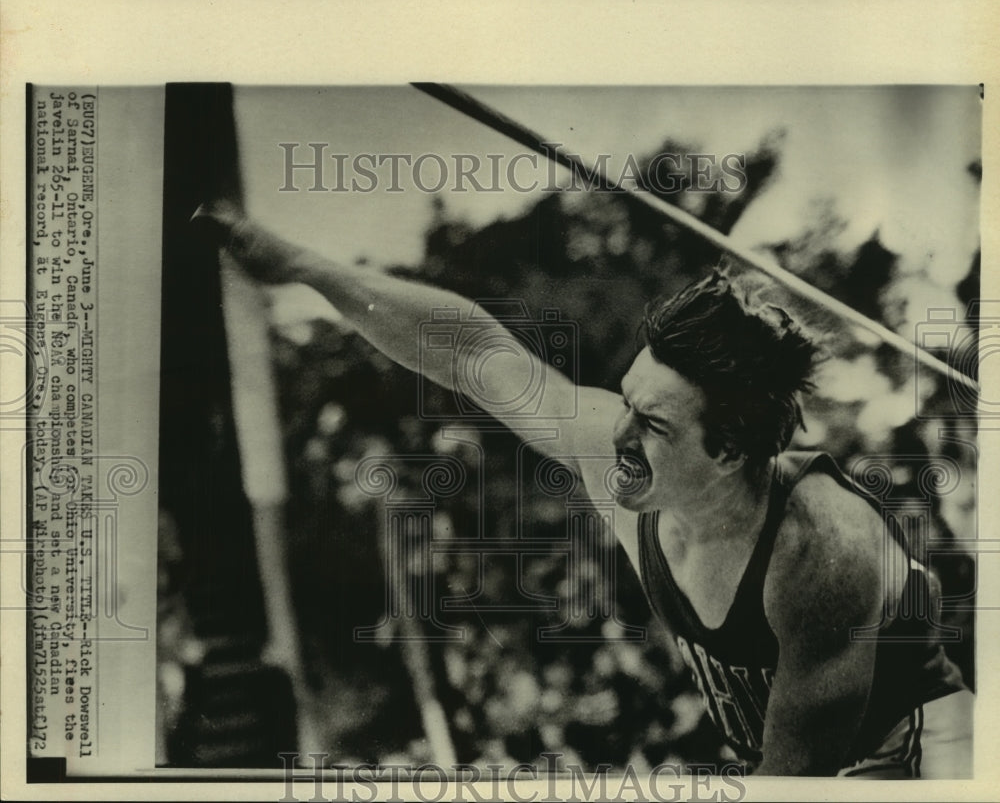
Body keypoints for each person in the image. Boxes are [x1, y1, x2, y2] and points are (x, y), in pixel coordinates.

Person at [192, 202, 973, 778]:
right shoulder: (617, 444)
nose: (618, 439)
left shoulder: (823, 559)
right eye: (627, 401)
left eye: (655, 427)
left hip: (919, 755)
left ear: (731, 448)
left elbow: (794, 783)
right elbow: (470, 352)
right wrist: (303, 265)